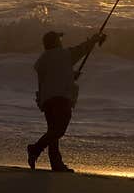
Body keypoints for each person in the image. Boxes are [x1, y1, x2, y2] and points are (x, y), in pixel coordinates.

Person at [27, 30, 105, 172]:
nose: (61, 41)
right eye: (59, 39)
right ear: (56, 42)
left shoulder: (41, 60)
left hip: (47, 99)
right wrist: (95, 39)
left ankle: (56, 164)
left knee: (52, 132)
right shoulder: (65, 54)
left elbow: (47, 79)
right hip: (61, 98)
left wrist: (70, 75)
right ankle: (35, 149)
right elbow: (84, 48)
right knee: (59, 130)